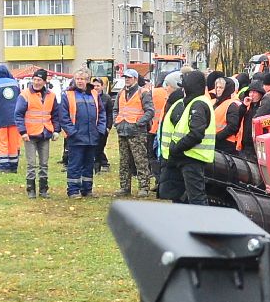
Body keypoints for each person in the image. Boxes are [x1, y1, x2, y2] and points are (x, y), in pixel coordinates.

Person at [157, 69, 213, 206]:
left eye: (184, 87)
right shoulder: (193, 102)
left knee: (196, 199)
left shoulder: (198, 104)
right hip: (186, 157)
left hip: (191, 157)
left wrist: (176, 148)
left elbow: (196, 134)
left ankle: (201, 226)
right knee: (183, 197)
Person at [55, 68, 106, 198]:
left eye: (82, 79)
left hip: (92, 136)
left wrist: (100, 130)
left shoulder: (94, 94)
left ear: (87, 80)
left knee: (89, 164)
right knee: (75, 165)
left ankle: (87, 189)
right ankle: (73, 190)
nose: (80, 81)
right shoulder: (68, 95)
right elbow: (64, 116)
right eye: (77, 79)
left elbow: (101, 113)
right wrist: (72, 132)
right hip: (75, 137)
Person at [15, 68, 58, 198]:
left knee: (44, 164)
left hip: (45, 133)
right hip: (30, 134)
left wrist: (56, 130)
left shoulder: (51, 96)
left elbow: (56, 114)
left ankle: (43, 189)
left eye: (39, 80)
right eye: (34, 79)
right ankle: (31, 189)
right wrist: (22, 132)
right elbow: (18, 114)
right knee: (31, 164)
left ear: (45, 81)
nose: (36, 82)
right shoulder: (25, 94)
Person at [113, 68, 155, 198]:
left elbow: (150, 111)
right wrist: (117, 122)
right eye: (125, 77)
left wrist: (138, 123)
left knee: (140, 161)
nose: (126, 79)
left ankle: (144, 187)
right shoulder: (120, 93)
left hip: (137, 133)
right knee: (124, 161)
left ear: (135, 79)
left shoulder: (143, 93)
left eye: (129, 77)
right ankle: (124, 187)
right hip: (123, 131)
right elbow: (116, 110)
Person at [0, 63, 21, 173]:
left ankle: (4, 166)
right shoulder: (15, 83)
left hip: (0, 117)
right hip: (14, 117)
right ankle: (14, 165)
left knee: (2, 141)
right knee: (13, 141)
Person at [212, 71, 245, 156]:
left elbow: (233, 126)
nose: (218, 90)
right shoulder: (217, 102)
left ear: (227, 89)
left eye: (221, 87)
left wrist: (217, 137)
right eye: (217, 87)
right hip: (218, 143)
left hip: (227, 144)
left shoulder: (232, 104)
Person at [91, 76, 114, 173]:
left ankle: (101, 164)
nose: (96, 87)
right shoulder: (90, 96)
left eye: (98, 85)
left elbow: (110, 113)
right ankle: (97, 165)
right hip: (92, 127)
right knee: (93, 146)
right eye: (94, 85)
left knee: (100, 146)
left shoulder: (107, 98)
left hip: (103, 127)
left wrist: (108, 127)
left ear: (102, 87)